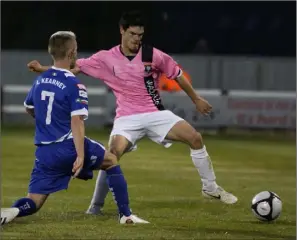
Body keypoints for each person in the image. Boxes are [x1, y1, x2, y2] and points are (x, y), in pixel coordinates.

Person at [27, 11, 238, 216]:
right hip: (127, 118)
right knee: (111, 156)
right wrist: (43, 69)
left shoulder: (153, 55)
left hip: (155, 113)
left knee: (195, 138)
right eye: (132, 34)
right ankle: (95, 207)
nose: (136, 39)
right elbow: (69, 68)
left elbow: (179, 75)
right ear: (122, 31)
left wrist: (196, 99)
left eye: (140, 35)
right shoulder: (105, 58)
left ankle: (210, 187)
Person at [1, 31, 148, 225]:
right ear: (71, 53)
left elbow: (29, 108)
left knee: (34, 201)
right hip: (68, 147)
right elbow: (77, 121)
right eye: (76, 50)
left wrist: (50, 121)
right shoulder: (74, 84)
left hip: (45, 153)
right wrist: (80, 155)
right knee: (111, 160)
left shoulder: (40, 80)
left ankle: (11, 211)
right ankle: (126, 216)